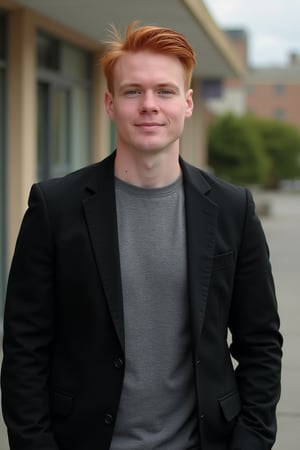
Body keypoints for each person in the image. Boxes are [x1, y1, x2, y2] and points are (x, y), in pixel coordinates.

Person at [1, 21, 282, 450]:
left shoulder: (232, 209)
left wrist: (252, 440)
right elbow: (24, 347)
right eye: (133, 91)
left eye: (165, 91)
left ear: (188, 104)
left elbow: (260, 343)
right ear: (111, 103)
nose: (149, 105)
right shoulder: (54, 207)